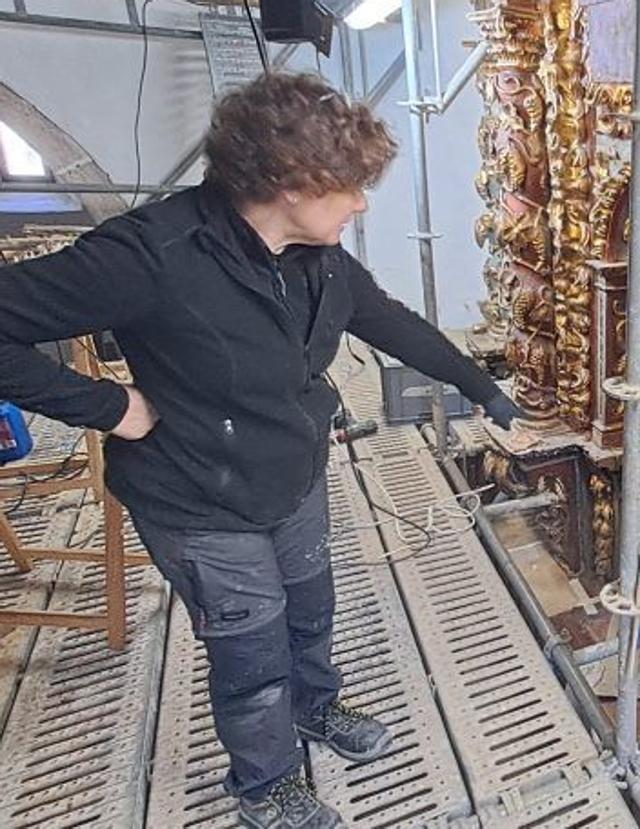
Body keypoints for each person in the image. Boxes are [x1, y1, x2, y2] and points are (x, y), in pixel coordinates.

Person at [0, 73, 521, 829]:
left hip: (292, 474)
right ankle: (265, 783)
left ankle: (317, 708)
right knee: (251, 651)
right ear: (290, 184)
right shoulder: (154, 253)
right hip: (199, 496)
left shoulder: (318, 256)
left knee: (309, 611)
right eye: (349, 186)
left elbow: (387, 320)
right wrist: (111, 406)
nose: (362, 202)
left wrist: (481, 385)